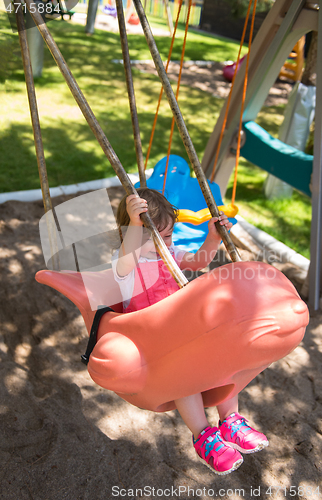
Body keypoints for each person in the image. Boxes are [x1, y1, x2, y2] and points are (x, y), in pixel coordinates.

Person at [112, 187, 269, 475]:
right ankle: (203, 436)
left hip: (181, 328)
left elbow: (199, 261)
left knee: (222, 355)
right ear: (129, 232)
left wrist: (213, 237)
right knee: (182, 374)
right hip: (152, 340)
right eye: (150, 236)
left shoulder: (169, 253)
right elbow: (124, 265)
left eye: (168, 236)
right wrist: (136, 227)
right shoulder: (127, 260)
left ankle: (231, 420)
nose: (161, 244)